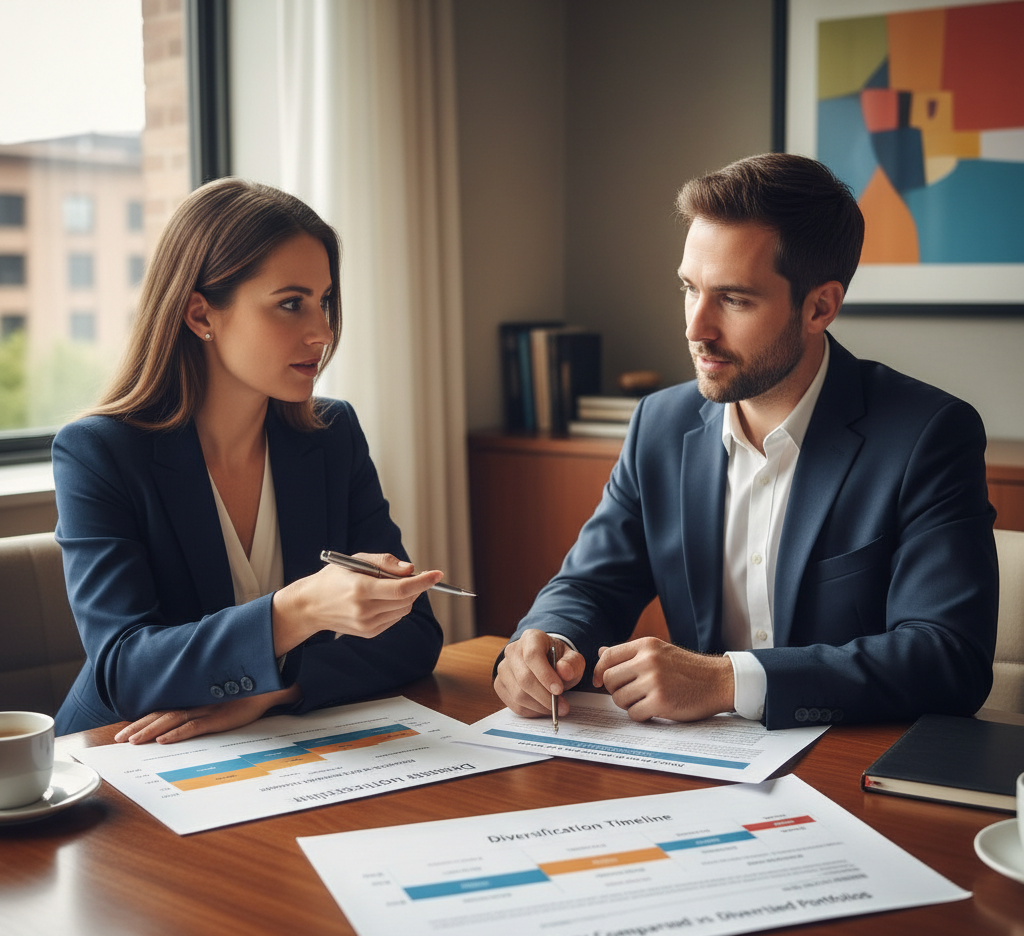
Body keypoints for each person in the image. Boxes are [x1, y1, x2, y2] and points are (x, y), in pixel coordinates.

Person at [495, 153, 998, 729]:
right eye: (690, 288)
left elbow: (947, 658)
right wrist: (549, 642)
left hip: (851, 767)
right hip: (696, 767)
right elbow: (590, 585)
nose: (695, 328)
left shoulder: (928, 435)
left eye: (734, 299)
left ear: (820, 306)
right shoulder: (658, 425)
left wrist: (729, 680)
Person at [53, 178, 443, 742]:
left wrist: (275, 691)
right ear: (200, 315)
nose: (323, 332)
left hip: (273, 749)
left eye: (324, 301)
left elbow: (414, 635)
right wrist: (297, 610)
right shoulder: (99, 452)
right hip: (124, 760)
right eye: (291, 304)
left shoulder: (333, 435)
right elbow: (125, 669)